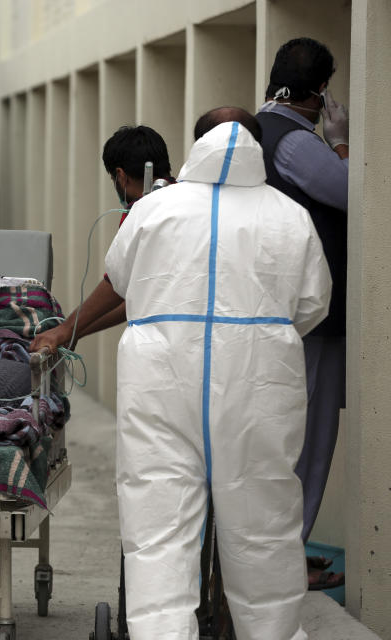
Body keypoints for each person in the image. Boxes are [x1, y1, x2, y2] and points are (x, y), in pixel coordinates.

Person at [103, 107, 331, 638]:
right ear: (259, 145)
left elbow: (120, 274)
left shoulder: (155, 208)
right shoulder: (290, 214)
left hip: (160, 382)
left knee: (158, 529)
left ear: (196, 144)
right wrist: (259, 332)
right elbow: (313, 304)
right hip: (259, 386)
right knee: (265, 530)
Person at [255, 37, 349, 591]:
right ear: (318, 93)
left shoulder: (256, 132)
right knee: (312, 440)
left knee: (280, 438)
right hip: (313, 315)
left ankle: (278, 554)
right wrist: (340, 145)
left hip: (272, 308)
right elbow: (354, 193)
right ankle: (285, 560)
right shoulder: (294, 142)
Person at [30, 125, 173, 354]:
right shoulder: (189, 199)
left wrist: (66, 329)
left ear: (121, 176)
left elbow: (116, 286)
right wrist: (75, 329)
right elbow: (131, 297)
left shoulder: (140, 213)